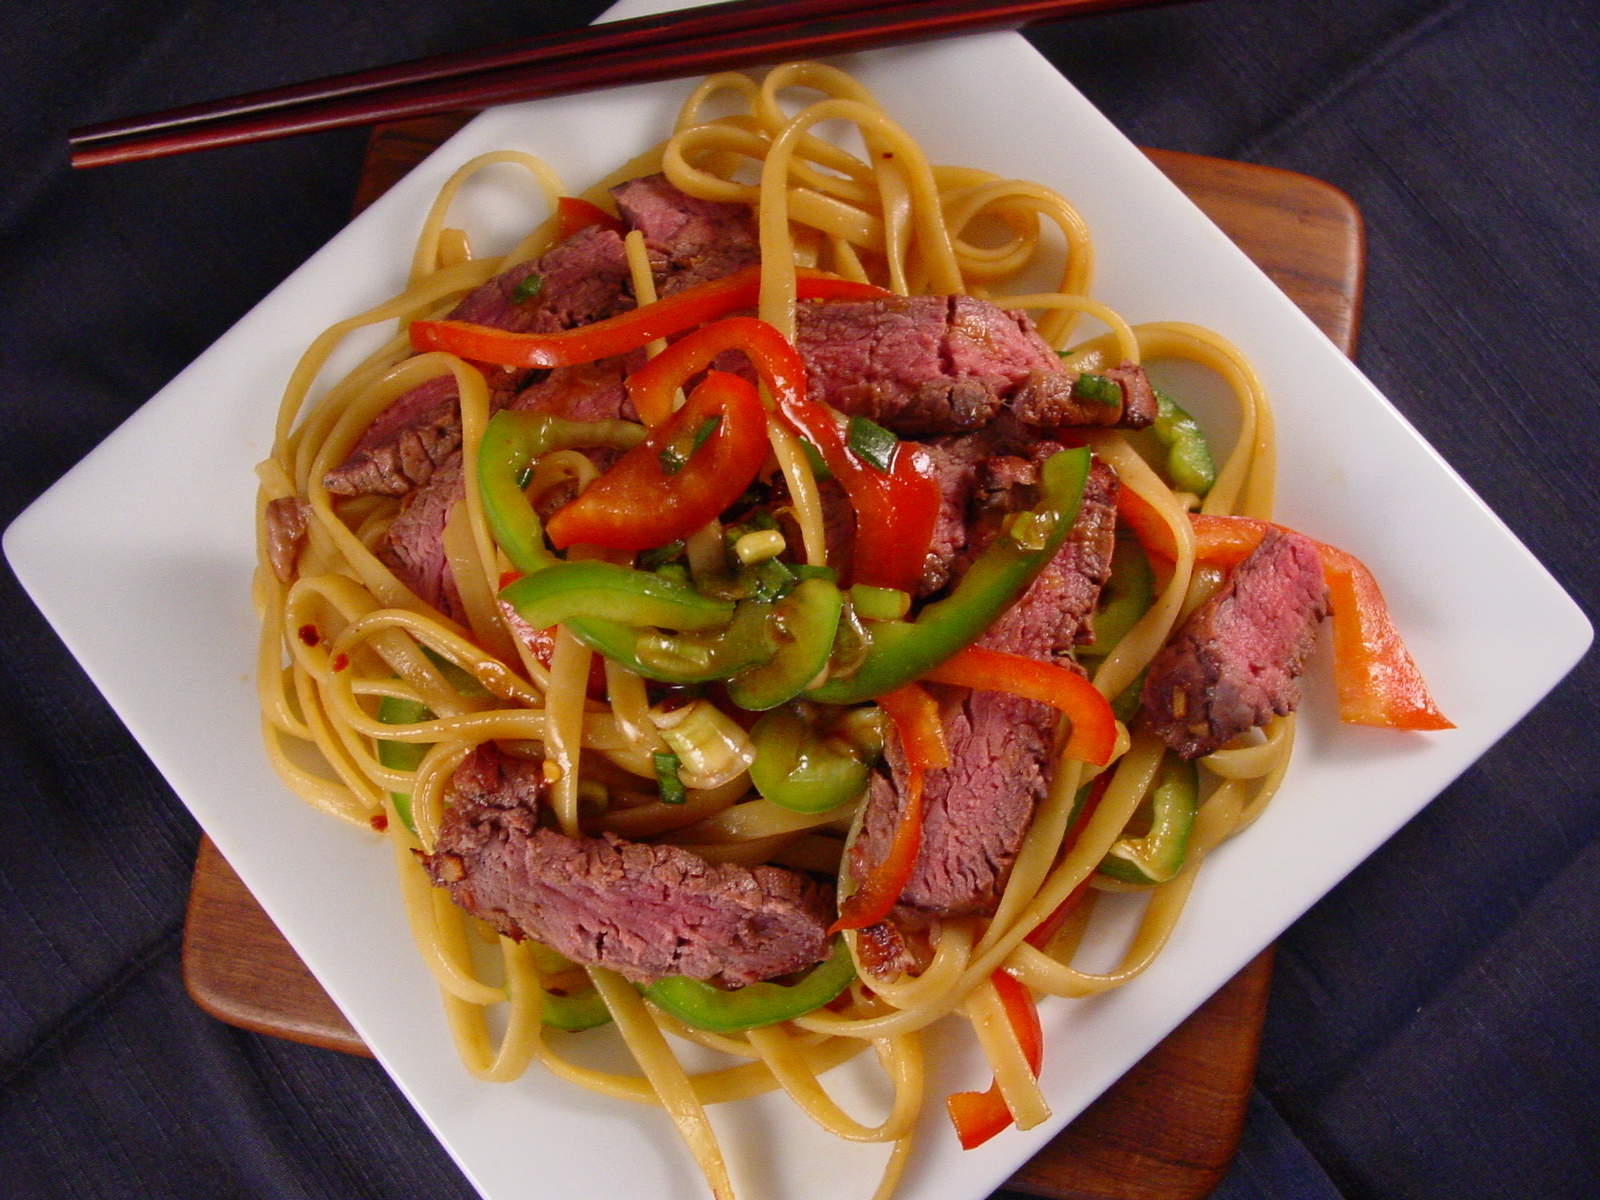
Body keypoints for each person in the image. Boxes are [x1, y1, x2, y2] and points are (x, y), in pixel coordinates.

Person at [0, 1, 1594, 1197]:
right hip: (660, 449)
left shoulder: (954, 474)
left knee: (993, 517)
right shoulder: (572, 510)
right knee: (486, 517)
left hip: (889, 569)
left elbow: (1006, 449)